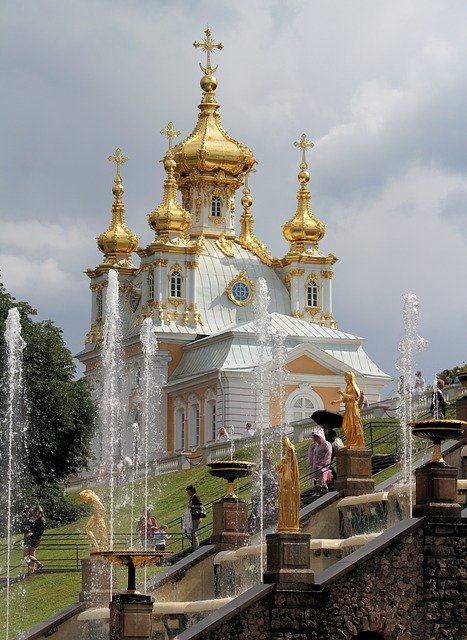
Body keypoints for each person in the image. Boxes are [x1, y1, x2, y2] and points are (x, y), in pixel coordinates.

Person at [332, 371, 365, 448]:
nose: (345, 378)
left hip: (353, 407)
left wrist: (342, 393)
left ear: (350, 377)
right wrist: (336, 402)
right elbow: (345, 399)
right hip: (348, 407)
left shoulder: (354, 387)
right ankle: (351, 441)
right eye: (345, 377)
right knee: (346, 425)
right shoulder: (347, 387)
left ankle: (356, 442)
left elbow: (355, 397)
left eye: (346, 376)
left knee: (353, 424)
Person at [276, 435, 300, 532]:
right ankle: (285, 521)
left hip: (288, 477)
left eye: (283, 444)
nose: (282, 446)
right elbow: (280, 467)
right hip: (283, 478)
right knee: (284, 498)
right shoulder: (286, 454)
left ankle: (290, 522)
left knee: (288, 497)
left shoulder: (290, 452)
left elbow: (291, 464)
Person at [308, 428, 333, 494]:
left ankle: (320, 488)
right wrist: (312, 463)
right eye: (315, 438)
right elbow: (314, 455)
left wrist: (324, 463)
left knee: (321, 475)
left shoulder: (326, 444)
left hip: (323, 464)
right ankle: (323, 489)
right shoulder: (317, 446)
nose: (315, 440)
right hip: (316, 464)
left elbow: (328, 454)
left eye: (317, 438)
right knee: (317, 477)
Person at [25, 506, 46, 572]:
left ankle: (39, 564)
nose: (34, 514)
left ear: (39, 512)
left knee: (28, 555)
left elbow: (39, 532)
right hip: (35, 539)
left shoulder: (41, 521)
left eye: (35, 512)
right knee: (31, 555)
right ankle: (33, 569)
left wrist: (31, 534)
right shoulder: (39, 520)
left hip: (35, 539)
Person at [183, 484, 202, 550]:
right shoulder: (191, 497)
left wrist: (192, 506)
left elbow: (200, 506)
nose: (187, 493)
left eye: (188, 491)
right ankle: (194, 544)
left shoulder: (195, 496)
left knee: (193, 532)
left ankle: (196, 548)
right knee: (186, 532)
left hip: (195, 517)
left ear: (191, 491)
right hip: (191, 518)